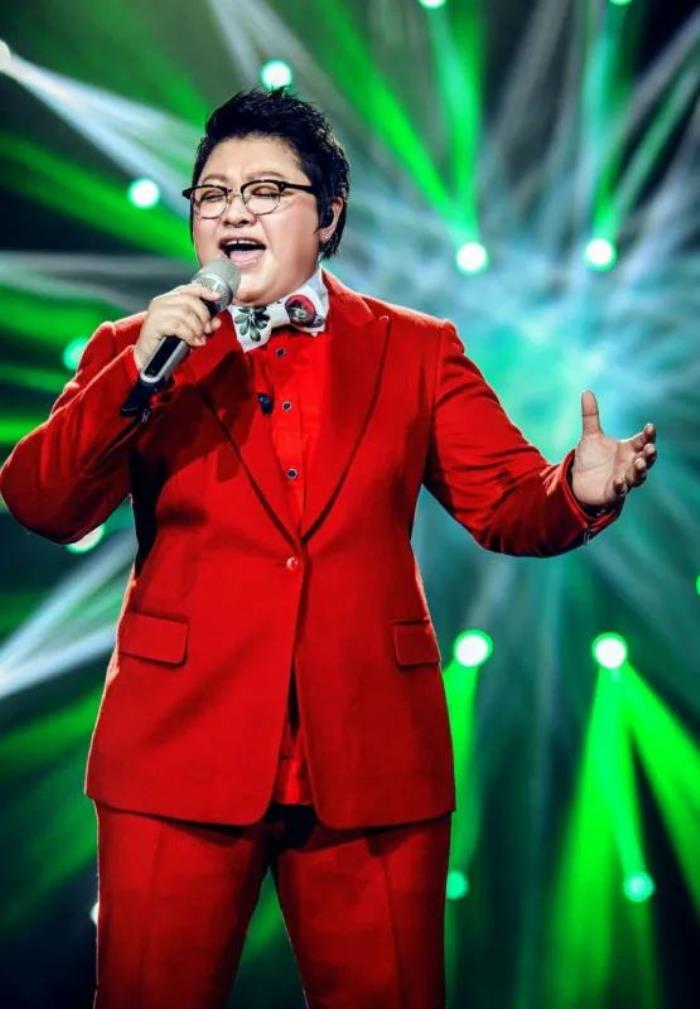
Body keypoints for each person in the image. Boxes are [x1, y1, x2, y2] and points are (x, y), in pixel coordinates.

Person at [0, 88, 657, 1009]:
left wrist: (578, 490)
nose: (233, 211)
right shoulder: (135, 349)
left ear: (329, 214)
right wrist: (137, 373)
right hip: (177, 751)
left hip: (371, 754)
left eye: (265, 191)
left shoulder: (415, 350)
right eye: (212, 194)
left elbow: (508, 506)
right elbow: (41, 501)